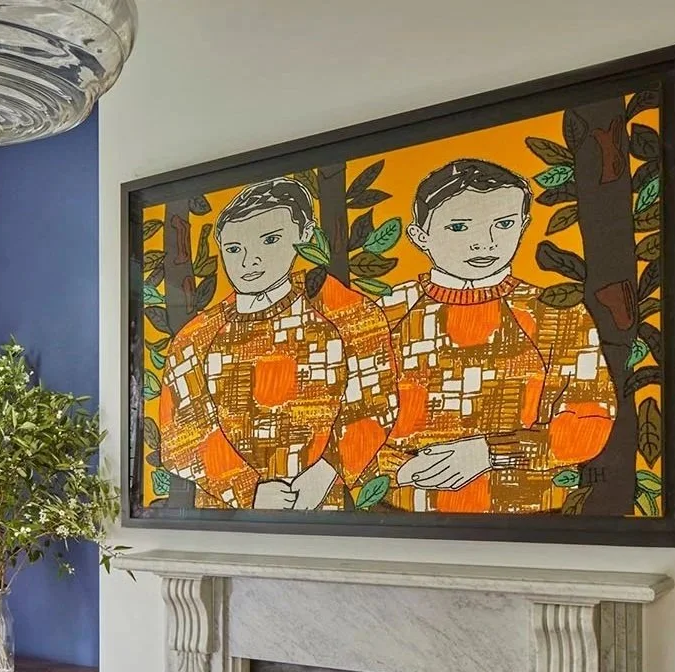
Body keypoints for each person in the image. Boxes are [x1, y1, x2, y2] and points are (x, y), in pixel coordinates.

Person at [375, 158, 617, 513]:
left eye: (503, 224)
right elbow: (350, 422)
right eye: (459, 227)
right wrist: (399, 469)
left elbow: (590, 422)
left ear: (523, 225)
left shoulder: (556, 312)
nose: (484, 243)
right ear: (420, 237)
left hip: (535, 518)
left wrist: (489, 453)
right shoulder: (387, 313)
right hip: (400, 517)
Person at [158, 177, 396, 510]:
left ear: (304, 235)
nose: (249, 261)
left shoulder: (345, 310)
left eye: (269, 240)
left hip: (330, 510)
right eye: (234, 249)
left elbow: (375, 402)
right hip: (225, 521)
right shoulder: (196, 336)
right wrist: (248, 490)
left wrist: (326, 471)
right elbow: (183, 435)